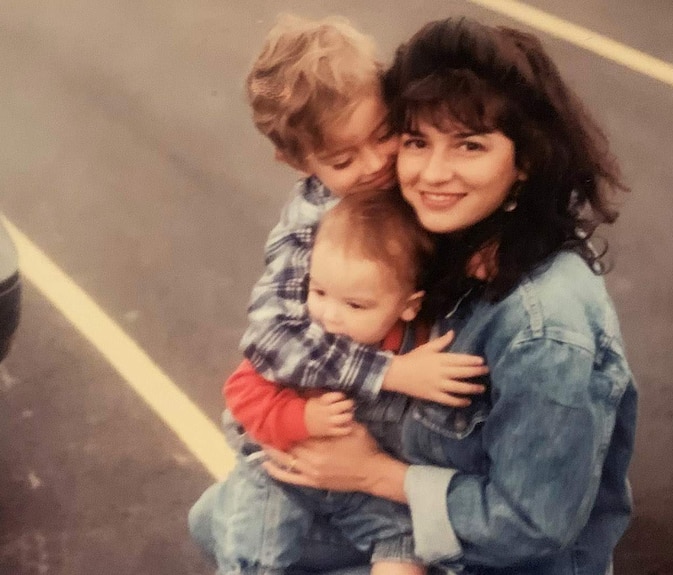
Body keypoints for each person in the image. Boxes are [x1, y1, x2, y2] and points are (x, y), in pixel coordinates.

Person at [193, 16, 637, 575]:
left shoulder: (543, 325)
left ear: (525, 159)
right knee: (214, 518)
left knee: (238, 529)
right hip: (393, 498)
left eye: (470, 146)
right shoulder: (437, 234)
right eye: (416, 141)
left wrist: (372, 474)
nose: (429, 172)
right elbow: (272, 343)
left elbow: (533, 527)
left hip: (492, 555)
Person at [191, 13, 488, 575]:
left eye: (383, 134)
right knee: (253, 543)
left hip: (376, 447)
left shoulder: (406, 179)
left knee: (403, 543)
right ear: (299, 162)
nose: (376, 164)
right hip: (297, 436)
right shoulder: (312, 225)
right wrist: (389, 373)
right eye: (343, 159)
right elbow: (270, 339)